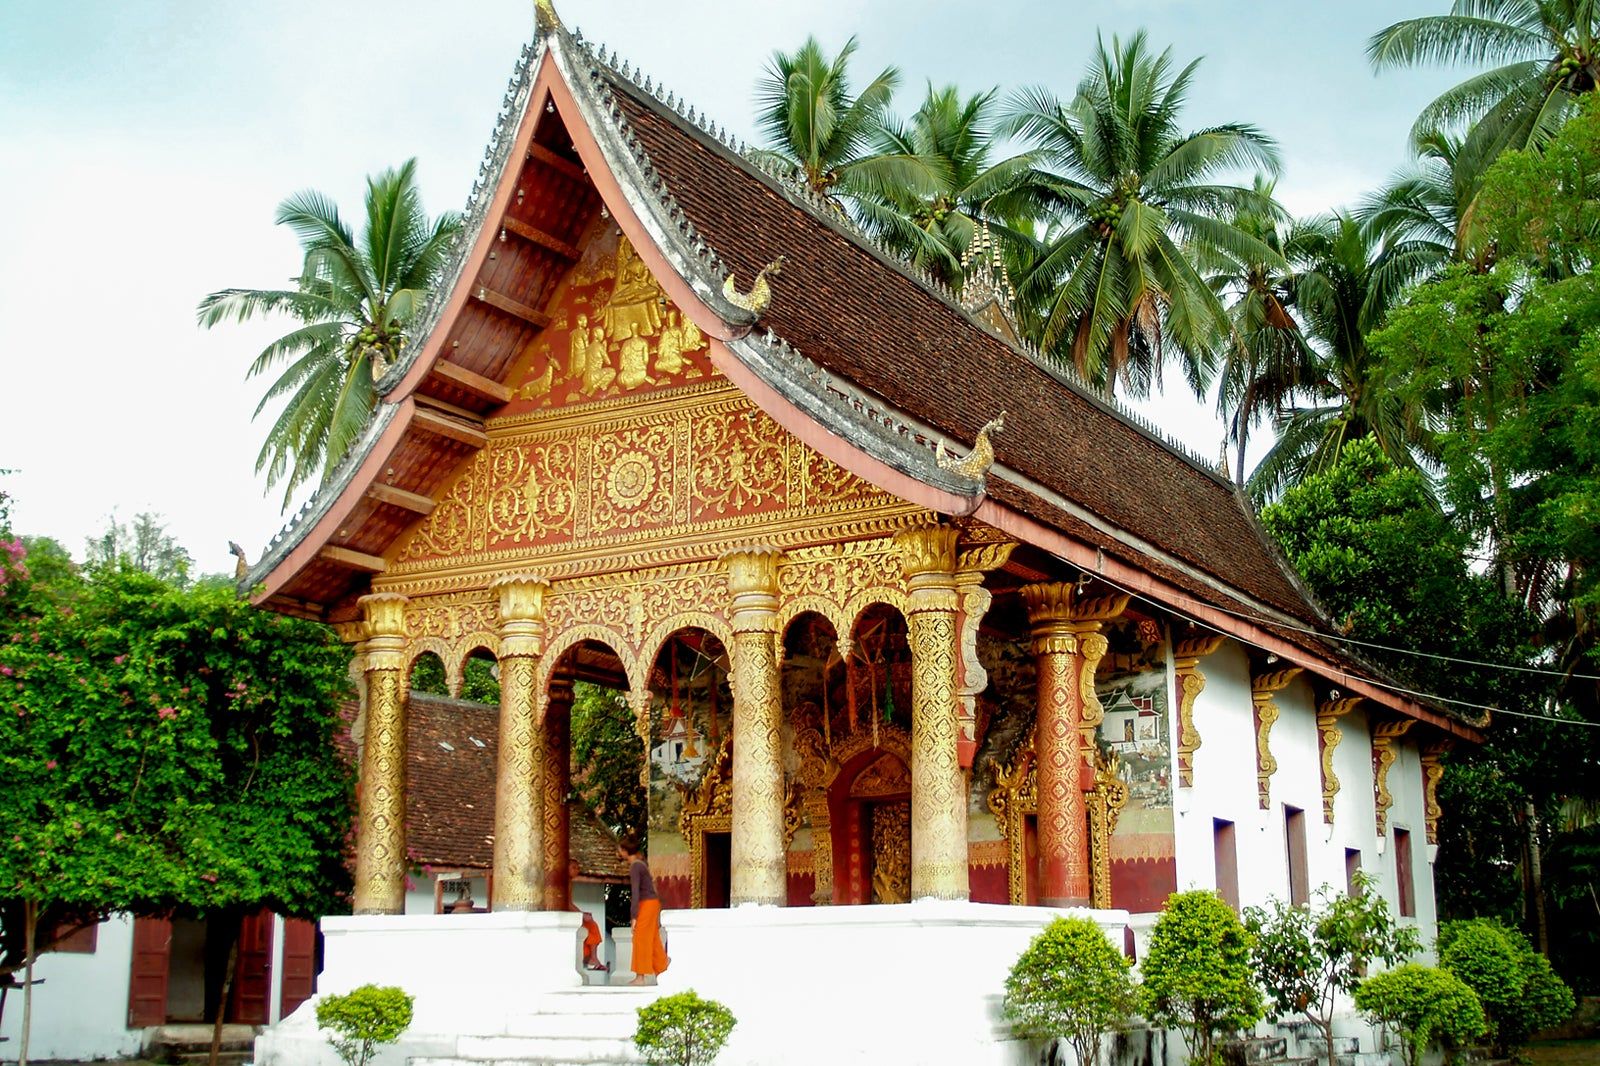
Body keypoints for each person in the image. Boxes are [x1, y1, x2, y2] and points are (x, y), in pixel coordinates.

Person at [618, 832, 668, 985]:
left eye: (620, 850)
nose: (619, 852)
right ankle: (663, 969)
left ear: (625, 851)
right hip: (652, 903)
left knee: (640, 938)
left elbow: (635, 892)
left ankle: (640, 977)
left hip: (646, 904)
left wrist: (634, 917)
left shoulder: (635, 866)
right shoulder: (640, 864)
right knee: (652, 938)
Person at [568, 859, 606, 972]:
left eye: (578, 868)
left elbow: (569, 903)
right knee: (591, 925)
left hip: (570, 914)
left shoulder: (569, 882)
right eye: (574, 867)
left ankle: (593, 958)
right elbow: (565, 903)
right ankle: (592, 959)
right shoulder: (564, 882)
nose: (577, 870)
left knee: (591, 925)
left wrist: (582, 914)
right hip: (564, 915)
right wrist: (581, 915)